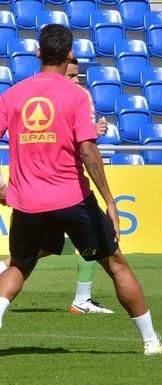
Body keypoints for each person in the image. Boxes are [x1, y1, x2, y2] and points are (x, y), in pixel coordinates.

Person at [0, 24, 162, 355]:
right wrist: (110, 200)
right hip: (72, 198)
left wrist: (0, 187)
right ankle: (151, 341)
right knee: (116, 264)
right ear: (69, 56)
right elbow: (89, 152)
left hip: (28, 200)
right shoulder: (76, 96)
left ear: (38, 54)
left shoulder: (13, 95)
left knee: (20, 266)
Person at [0, 58, 112, 314]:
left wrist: (92, 131)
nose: (74, 81)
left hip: (54, 186)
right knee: (97, 245)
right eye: (70, 76)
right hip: (62, 189)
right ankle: (82, 299)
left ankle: (81, 298)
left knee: (48, 247)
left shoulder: (77, 96)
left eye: (76, 77)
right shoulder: (62, 97)